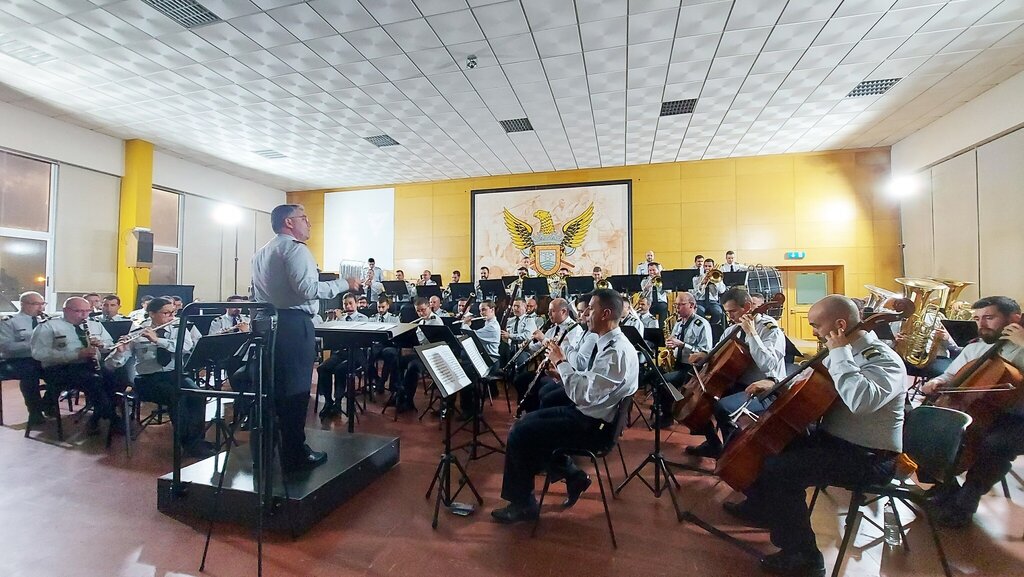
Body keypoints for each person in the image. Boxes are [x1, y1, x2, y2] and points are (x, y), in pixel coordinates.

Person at [723, 295, 905, 577]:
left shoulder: (883, 359)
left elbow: (860, 401)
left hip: (869, 457)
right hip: (833, 441)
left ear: (840, 325)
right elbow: (809, 387)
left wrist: (841, 354)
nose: (814, 332)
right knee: (765, 446)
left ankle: (805, 556)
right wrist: (774, 385)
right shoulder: (838, 352)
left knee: (779, 470)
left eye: (816, 326)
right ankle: (760, 507)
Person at [491, 288, 639, 523]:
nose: (586, 313)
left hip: (593, 426)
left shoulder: (616, 352)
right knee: (529, 424)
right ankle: (573, 475)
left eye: (591, 308)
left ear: (606, 313)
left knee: (520, 432)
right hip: (588, 413)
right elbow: (589, 383)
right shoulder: (608, 342)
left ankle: (523, 504)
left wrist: (560, 360)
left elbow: (582, 394)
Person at [251, 204, 352, 474]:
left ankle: (265, 450)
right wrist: (343, 284)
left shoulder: (261, 253)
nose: (309, 223)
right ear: (288, 222)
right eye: (304, 218)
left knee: (273, 390)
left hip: (267, 325)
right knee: (295, 392)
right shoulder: (295, 249)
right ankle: (295, 454)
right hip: (294, 326)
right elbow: (307, 289)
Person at [920, 296, 1024, 528]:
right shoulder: (975, 347)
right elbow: (952, 375)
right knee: (935, 429)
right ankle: (946, 484)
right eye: (977, 319)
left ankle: (968, 496)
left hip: (1018, 419)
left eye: (989, 317)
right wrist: (937, 381)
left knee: (996, 444)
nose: (982, 324)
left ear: (1014, 319)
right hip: (981, 411)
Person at [106, 297, 214, 458]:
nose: (171, 316)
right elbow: (111, 365)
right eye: (166, 313)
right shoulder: (137, 331)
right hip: (147, 379)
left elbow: (185, 348)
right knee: (176, 396)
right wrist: (119, 351)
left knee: (197, 395)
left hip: (174, 374)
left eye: (173, 312)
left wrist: (158, 340)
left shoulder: (179, 327)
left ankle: (195, 441)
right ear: (152, 314)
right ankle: (188, 444)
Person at [685, 287, 786, 458]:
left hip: (766, 388)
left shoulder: (769, 328)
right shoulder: (732, 330)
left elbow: (768, 365)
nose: (729, 316)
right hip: (739, 383)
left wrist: (752, 333)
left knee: (722, 407)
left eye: (733, 311)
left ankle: (734, 454)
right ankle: (713, 444)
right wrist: (706, 355)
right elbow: (719, 355)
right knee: (700, 403)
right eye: (727, 312)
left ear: (747, 307)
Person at [30, 297, 121, 435]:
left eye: (87, 311)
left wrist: (102, 344)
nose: (84, 315)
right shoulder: (48, 326)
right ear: (66, 310)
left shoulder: (94, 324)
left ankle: (96, 417)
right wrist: (76, 355)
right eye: (78, 311)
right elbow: (39, 353)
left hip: (89, 365)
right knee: (94, 381)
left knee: (114, 378)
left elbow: (109, 343)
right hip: (59, 368)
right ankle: (111, 417)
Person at [652, 292, 713, 429]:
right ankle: (670, 406)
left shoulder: (702, 324)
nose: (677, 308)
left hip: (692, 368)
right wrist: (670, 347)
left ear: (692, 305)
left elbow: (706, 351)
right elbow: (674, 342)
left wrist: (683, 345)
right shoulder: (678, 323)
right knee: (654, 374)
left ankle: (669, 415)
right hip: (677, 363)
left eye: (681, 305)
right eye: (676, 305)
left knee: (664, 382)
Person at [512, 298, 583, 409]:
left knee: (542, 389)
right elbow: (537, 348)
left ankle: (535, 414)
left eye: (552, 311)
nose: (548, 314)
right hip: (546, 368)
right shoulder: (553, 328)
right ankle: (528, 411)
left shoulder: (574, 329)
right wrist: (527, 345)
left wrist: (543, 339)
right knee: (520, 380)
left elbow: (564, 352)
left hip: (560, 372)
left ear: (564, 311)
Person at [0, 291, 48, 425]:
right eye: (35, 304)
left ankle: (47, 403)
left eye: (42, 304)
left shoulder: (46, 321)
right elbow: (5, 347)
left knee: (63, 370)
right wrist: (33, 343)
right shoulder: (9, 321)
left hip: (42, 358)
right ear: (23, 304)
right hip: (17, 359)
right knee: (30, 373)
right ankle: (35, 412)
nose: (40, 307)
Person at [316, 294, 367, 419]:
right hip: (341, 352)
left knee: (340, 370)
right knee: (322, 368)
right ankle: (329, 401)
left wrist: (341, 320)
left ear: (356, 304)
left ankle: (338, 403)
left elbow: (354, 333)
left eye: (350, 303)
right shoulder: (340, 318)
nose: (348, 306)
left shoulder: (363, 318)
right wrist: (331, 321)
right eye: (345, 304)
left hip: (357, 354)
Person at [390, 297, 443, 412]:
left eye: (423, 310)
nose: (420, 313)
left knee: (413, 367)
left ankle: (408, 399)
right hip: (420, 353)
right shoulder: (421, 321)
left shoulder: (436, 321)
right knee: (396, 360)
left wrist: (415, 349)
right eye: (418, 311)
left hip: (431, 356)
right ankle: (397, 392)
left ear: (429, 307)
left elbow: (435, 344)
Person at [692, 257, 727, 328]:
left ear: (713, 267)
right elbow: (694, 293)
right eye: (705, 266)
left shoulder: (718, 276)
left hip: (713, 302)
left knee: (718, 312)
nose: (707, 268)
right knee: (698, 312)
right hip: (700, 301)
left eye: (709, 266)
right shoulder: (697, 278)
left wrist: (715, 283)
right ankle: (703, 328)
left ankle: (712, 327)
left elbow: (722, 290)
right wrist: (702, 283)